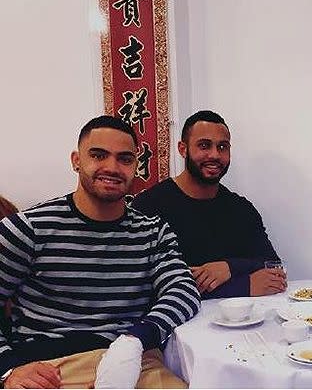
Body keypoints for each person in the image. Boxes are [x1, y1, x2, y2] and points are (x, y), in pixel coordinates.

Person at [0, 116, 200, 389]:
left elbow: (183, 291)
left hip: (134, 363)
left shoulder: (152, 232)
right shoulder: (29, 228)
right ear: (76, 160)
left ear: (135, 166)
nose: (112, 167)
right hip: (51, 368)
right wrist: (8, 368)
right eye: (98, 155)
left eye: (125, 159)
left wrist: (134, 340)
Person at [132, 110, 286, 299]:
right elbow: (146, 287)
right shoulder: (149, 207)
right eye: (204, 146)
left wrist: (228, 267)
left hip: (243, 322)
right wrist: (243, 285)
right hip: (175, 325)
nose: (214, 155)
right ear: (183, 149)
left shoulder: (241, 209)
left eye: (222, 147)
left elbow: (273, 270)